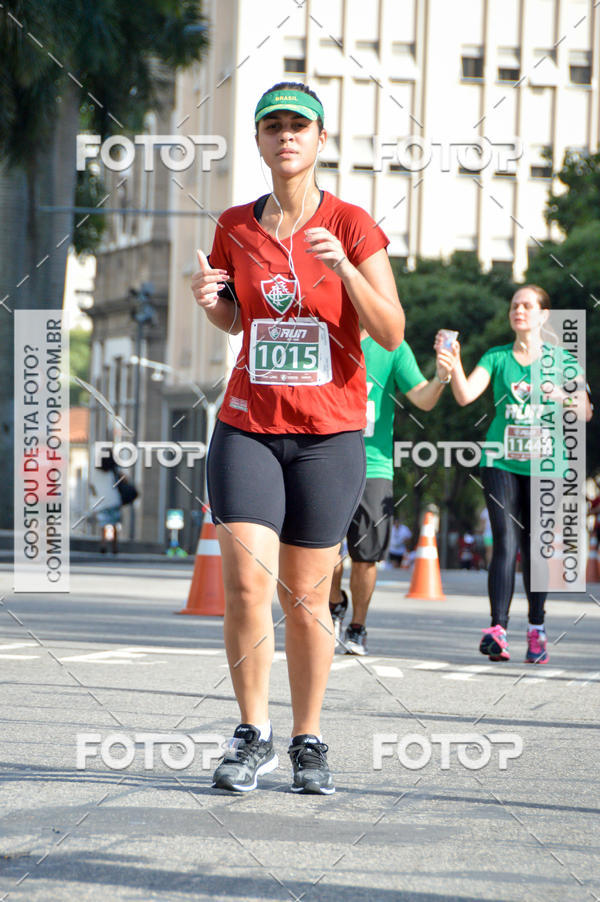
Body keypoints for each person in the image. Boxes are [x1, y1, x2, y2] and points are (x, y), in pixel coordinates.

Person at [190, 82, 405, 794]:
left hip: (328, 435)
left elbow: (390, 330)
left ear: (318, 140)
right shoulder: (234, 226)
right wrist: (212, 303)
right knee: (248, 585)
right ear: (257, 141)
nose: (286, 137)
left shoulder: (352, 224)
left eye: (299, 126)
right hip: (247, 426)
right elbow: (238, 319)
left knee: (307, 598)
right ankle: (252, 734)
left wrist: (343, 267)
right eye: (273, 125)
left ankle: (309, 738)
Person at [436, 285, 592, 664]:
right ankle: (497, 630)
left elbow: (586, 410)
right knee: (505, 542)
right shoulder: (496, 357)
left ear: (542, 316)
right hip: (501, 459)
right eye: (514, 306)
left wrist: (562, 396)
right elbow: (466, 395)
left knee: (536, 547)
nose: (518, 311)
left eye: (527, 306)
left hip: (547, 464)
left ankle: (536, 629)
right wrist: (453, 364)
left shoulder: (563, 359)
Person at [328, 332, 454, 654]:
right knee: (322, 550)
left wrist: (441, 377)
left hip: (373, 466)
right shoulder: (323, 334)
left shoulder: (392, 346)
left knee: (365, 557)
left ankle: (357, 627)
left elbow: (423, 398)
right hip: (323, 460)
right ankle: (333, 603)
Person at [90, 450, 122, 555]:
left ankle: (103, 544)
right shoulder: (113, 471)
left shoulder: (95, 472)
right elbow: (123, 480)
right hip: (114, 500)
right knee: (114, 524)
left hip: (101, 501)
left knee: (103, 524)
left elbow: (92, 486)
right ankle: (114, 546)